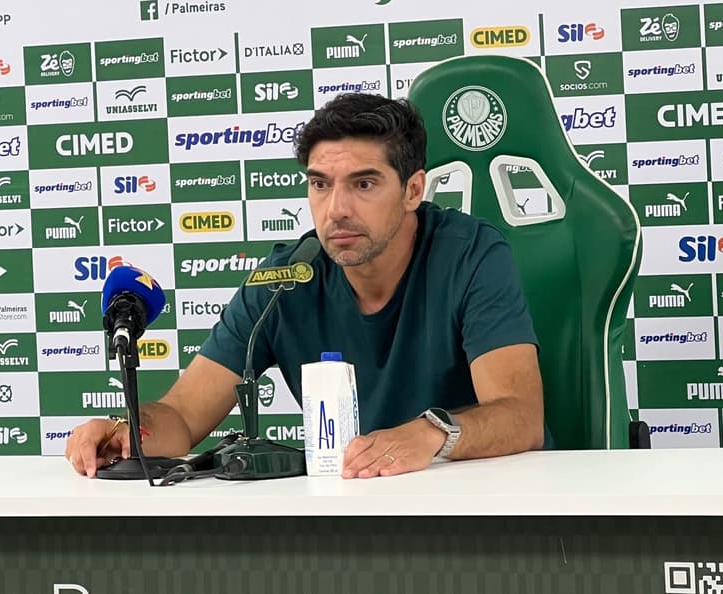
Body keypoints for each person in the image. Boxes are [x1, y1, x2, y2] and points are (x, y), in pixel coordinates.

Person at [66, 93, 546, 479]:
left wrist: (431, 433)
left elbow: (521, 417)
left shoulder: (472, 253)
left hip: (473, 508)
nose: (336, 208)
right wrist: (128, 431)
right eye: (320, 184)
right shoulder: (284, 278)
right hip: (351, 512)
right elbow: (184, 416)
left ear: (413, 191)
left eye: (363, 184)